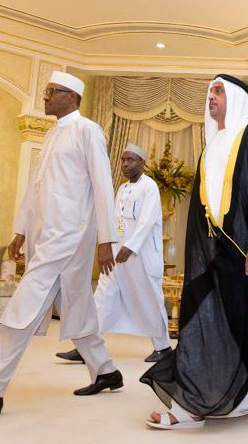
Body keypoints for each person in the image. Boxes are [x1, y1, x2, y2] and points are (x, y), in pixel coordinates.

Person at [0, 71, 121, 417]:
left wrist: (107, 238)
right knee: (77, 304)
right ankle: (106, 370)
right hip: (47, 234)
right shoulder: (54, 134)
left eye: (51, 92)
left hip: (70, 235)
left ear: (71, 96)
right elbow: (35, 187)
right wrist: (21, 230)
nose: (45, 97)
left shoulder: (87, 131)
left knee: (24, 304)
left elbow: (103, 185)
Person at [140, 74, 248, 430]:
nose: (211, 97)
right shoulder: (212, 144)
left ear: (235, 97)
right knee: (204, 323)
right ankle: (195, 404)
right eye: (209, 92)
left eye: (217, 91)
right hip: (217, 254)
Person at [55, 144, 171, 365]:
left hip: (141, 257)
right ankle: (87, 347)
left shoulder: (150, 187)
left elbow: (147, 220)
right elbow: (114, 221)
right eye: (123, 160)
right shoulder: (122, 188)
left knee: (150, 300)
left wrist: (132, 246)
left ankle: (163, 348)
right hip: (118, 255)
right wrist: (109, 244)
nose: (126, 164)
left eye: (131, 160)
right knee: (102, 296)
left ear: (142, 163)